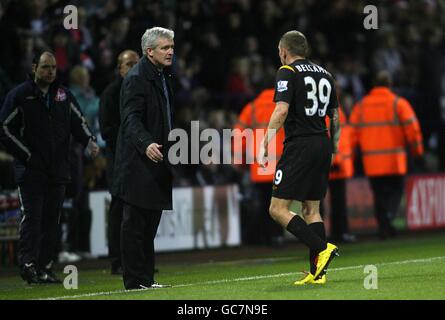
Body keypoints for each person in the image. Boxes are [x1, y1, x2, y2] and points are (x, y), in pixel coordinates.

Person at [0, 51, 99, 284]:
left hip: (58, 169)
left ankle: (44, 266)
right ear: (34, 67)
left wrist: (89, 140)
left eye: (53, 68)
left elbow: (79, 121)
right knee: (32, 218)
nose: (50, 72)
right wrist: (26, 155)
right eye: (45, 67)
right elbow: (4, 128)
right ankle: (28, 264)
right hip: (30, 170)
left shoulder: (63, 95)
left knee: (52, 220)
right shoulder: (21, 95)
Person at [257, 30, 340, 285]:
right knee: (311, 209)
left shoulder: (288, 72)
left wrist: (265, 141)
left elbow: (281, 110)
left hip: (300, 145)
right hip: (322, 142)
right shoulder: (326, 74)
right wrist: (333, 146)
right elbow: (335, 116)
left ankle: (322, 247)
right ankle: (318, 274)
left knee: (277, 208)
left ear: (284, 51)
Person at [112, 27, 174, 290]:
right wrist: (146, 142)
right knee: (135, 223)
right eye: (164, 47)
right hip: (138, 162)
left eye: (171, 46)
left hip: (156, 159)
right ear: (150, 52)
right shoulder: (137, 78)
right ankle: (134, 280)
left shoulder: (159, 75)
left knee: (149, 224)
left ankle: (146, 278)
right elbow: (130, 118)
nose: (171, 51)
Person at [349, 71, 424, 239]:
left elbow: (351, 134)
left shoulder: (361, 106)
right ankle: (389, 217)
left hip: (372, 162)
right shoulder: (398, 103)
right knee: (395, 191)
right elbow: (413, 130)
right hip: (394, 160)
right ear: (390, 84)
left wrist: (350, 157)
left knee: (379, 194)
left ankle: (384, 227)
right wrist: (417, 152)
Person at [99, 49, 139, 275]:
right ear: (120, 68)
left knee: (137, 209)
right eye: (129, 64)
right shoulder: (111, 93)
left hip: (136, 159)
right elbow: (107, 131)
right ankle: (117, 260)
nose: (134, 68)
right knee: (119, 207)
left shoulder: (140, 89)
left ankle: (135, 259)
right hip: (117, 159)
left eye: (136, 63)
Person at [233, 88, 285, 246]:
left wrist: (240, 161)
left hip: (261, 165)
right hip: (280, 164)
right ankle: (278, 235)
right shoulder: (283, 105)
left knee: (264, 203)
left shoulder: (252, 108)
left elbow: (238, 134)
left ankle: (266, 236)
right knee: (279, 204)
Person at [325, 105, 356, 243]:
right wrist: (336, 160)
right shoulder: (334, 109)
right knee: (338, 201)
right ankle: (341, 232)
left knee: (322, 201)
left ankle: (332, 233)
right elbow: (335, 136)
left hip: (327, 164)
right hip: (336, 165)